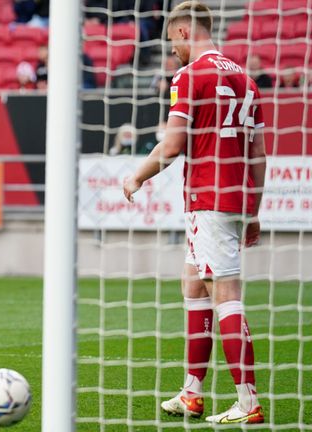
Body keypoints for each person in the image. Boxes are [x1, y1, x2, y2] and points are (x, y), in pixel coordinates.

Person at [122, 1, 265, 424]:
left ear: (184, 32)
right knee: (193, 283)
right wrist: (252, 210)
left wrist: (137, 177)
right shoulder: (246, 78)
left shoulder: (190, 75)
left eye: (172, 44)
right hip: (234, 199)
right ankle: (192, 392)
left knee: (225, 295)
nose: (173, 54)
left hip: (209, 197)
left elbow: (171, 145)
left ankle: (248, 401)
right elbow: (258, 152)